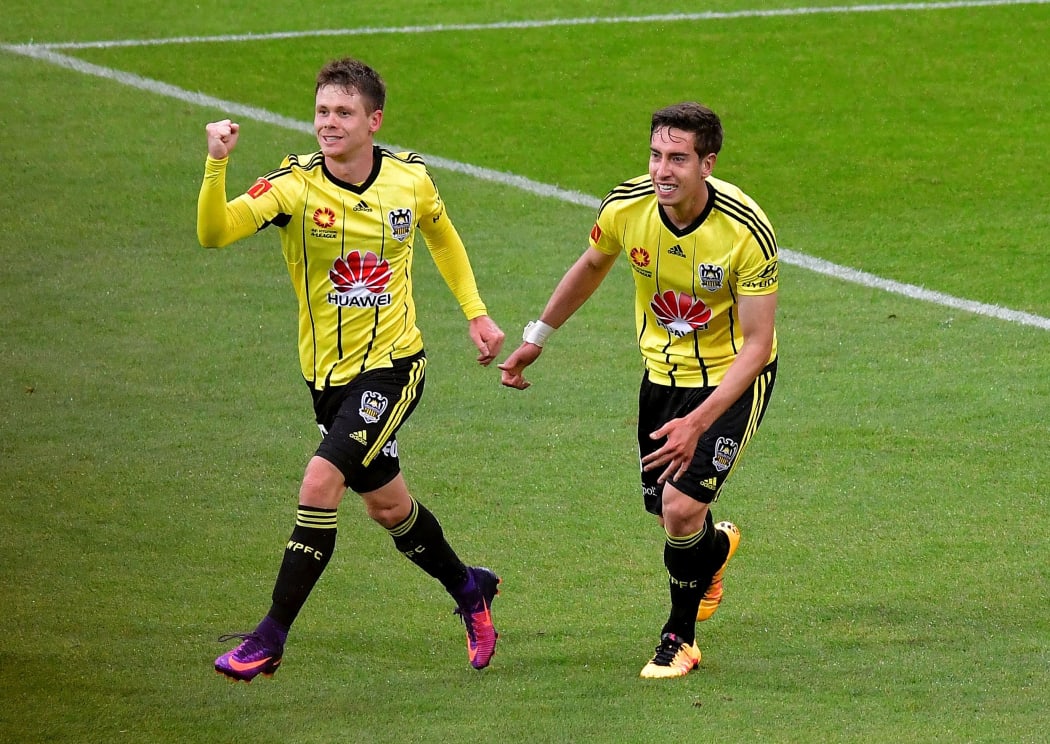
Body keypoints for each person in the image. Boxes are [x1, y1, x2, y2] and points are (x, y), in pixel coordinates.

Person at [197, 57, 506, 681]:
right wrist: (217, 163)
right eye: (321, 112)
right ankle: (470, 587)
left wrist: (475, 312)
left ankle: (269, 638)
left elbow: (441, 236)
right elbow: (215, 232)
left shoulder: (410, 181)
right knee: (389, 510)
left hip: (394, 367)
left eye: (342, 113)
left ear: (373, 120)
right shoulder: (293, 186)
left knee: (319, 485)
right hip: (326, 379)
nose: (328, 125)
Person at [499, 102, 778, 679]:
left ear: (708, 163)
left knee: (679, 510)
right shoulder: (627, 207)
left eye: (678, 158)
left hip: (730, 381)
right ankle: (715, 551)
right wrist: (537, 337)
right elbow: (592, 265)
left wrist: (698, 422)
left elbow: (756, 346)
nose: (662, 170)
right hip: (659, 378)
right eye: (656, 155)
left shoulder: (746, 230)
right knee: (674, 520)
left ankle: (680, 639)